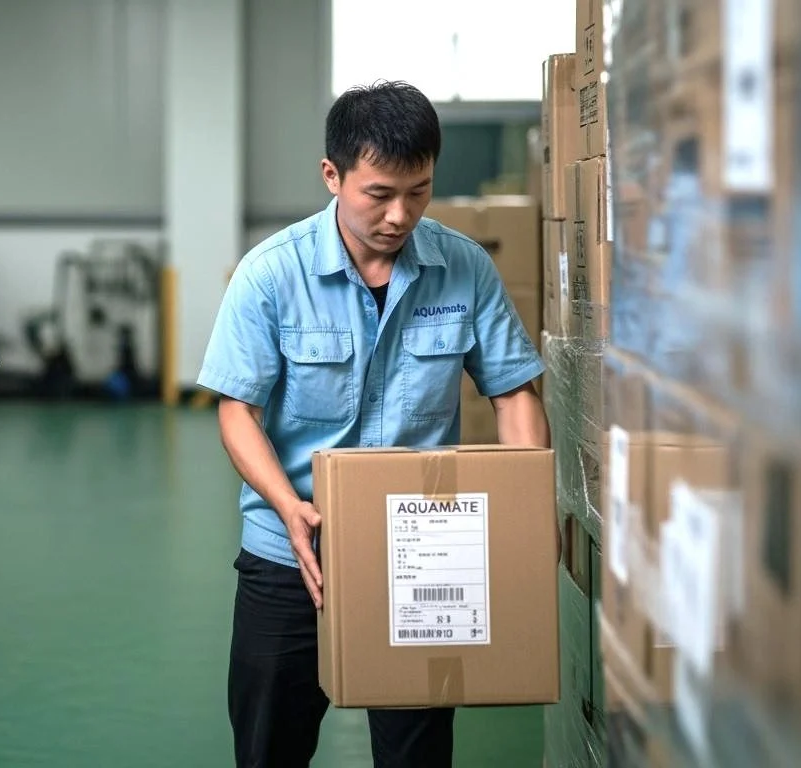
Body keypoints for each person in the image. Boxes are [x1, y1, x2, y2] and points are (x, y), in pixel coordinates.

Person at [196, 80, 550, 768]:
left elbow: (513, 393)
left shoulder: (464, 268)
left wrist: (524, 507)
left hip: (418, 557)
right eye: (379, 194)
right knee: (271, 746)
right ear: (332, 176)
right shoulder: (271, 275)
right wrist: (287, 507)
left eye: (418, 191)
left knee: (416, 753)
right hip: (289, 550)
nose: (400, 214)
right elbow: (237, 409)